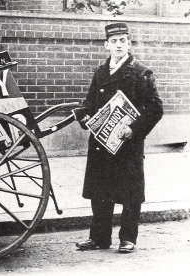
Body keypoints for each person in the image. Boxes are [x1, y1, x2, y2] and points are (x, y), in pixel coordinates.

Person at [75, 23, 163, 253]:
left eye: (122, 40)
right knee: (100, 192)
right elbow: (90, 103)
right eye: (113, 41)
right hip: (101, 143)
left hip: (127, 143)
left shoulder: (141, 72)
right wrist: (85, 116)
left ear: (129, 44)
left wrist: (133, 129)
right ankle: (99, 238)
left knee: (130, 193)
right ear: (106, 45)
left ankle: (128, 239)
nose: (118, 45)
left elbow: (155, 109)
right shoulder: (100, 72)